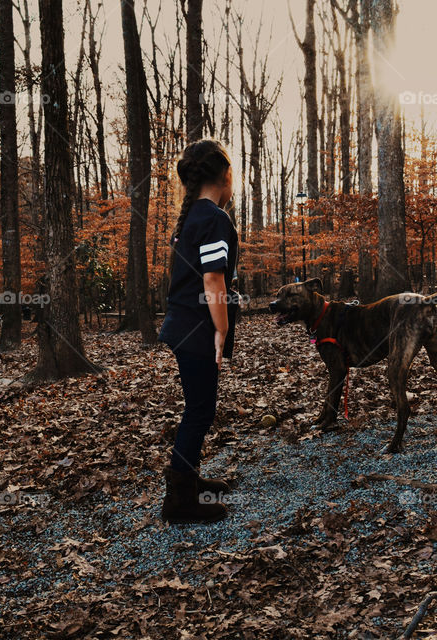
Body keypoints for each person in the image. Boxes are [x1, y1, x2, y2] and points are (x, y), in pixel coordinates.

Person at [158, 139, 239, 524]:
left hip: (182, 324)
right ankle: (180, 502)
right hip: (195, 328)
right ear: (226, 176)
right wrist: (221, 331)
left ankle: (189, 479)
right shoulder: (214, 218)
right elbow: (213, 283)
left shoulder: (194, 216)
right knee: (200, 411)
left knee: (198, 408)